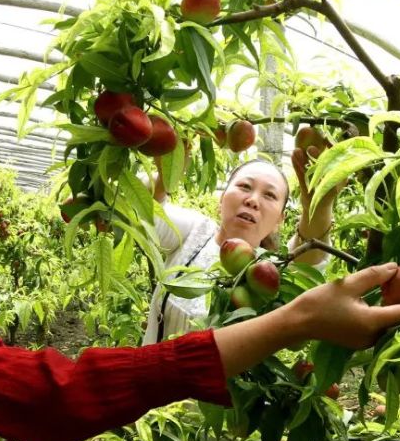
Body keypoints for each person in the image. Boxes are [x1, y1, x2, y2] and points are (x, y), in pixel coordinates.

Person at [0, 99, 400, 441]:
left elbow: (310, 266)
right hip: (160, 419)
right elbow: (58, 394)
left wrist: (320, 195)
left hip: (225, 434)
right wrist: (297, 322)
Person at [143, 134, 341, 344]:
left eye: (269, 195)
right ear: (221, 199)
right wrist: (164, 178)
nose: (253, 200)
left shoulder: (270, 270)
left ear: (279, 220)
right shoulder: (195, 231)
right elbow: (145, 210)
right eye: (245, 186)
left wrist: (317, 207)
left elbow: (309, 255)